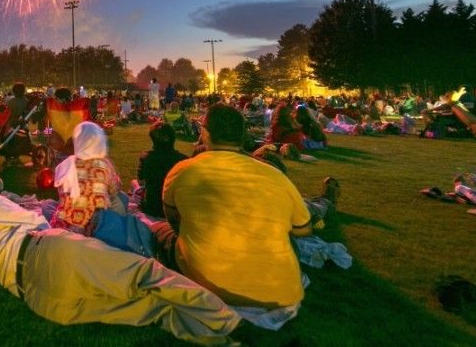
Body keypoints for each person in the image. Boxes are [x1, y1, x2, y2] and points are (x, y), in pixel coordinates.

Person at [0, 189, 240, 343]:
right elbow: (35, 221)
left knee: (154, 311)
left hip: (42, 301)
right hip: (51, 255)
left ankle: (220, 339)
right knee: (144, 275)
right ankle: (233, 325)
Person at [158, 103, 312, 308]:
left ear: (204, 133)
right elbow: (303, 230)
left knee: (160, 231)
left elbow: (173, 218)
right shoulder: (274, 175)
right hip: (280, 294)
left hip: (209, 281)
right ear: (242, 135)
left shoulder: (183, 170)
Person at [51, 121, 123, 233]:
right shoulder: (105, 165)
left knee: (48, 205)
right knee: (121, 199)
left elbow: (61, 195)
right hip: (94, 229)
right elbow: (115, 188)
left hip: (63, 228)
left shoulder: (66, 165)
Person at [136, 123, 187, 218]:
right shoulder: (184, 160)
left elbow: (140, 182)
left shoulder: (147, 158)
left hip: (152, 208)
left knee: (133, 184)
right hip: (176, 210)